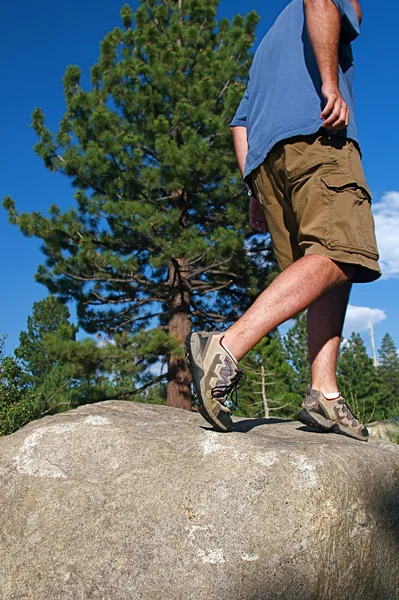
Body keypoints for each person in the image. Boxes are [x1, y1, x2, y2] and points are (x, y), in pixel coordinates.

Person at [185, 0, 381, 442]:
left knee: (325, 271)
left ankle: (324, 393)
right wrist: (330, 84)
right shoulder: (326, 8)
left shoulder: (268, 45)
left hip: (269, 163)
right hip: (318, 138)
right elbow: (321, 1)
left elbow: (239, 123)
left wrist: (254, 189)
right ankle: (225, 347)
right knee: (340, 251)